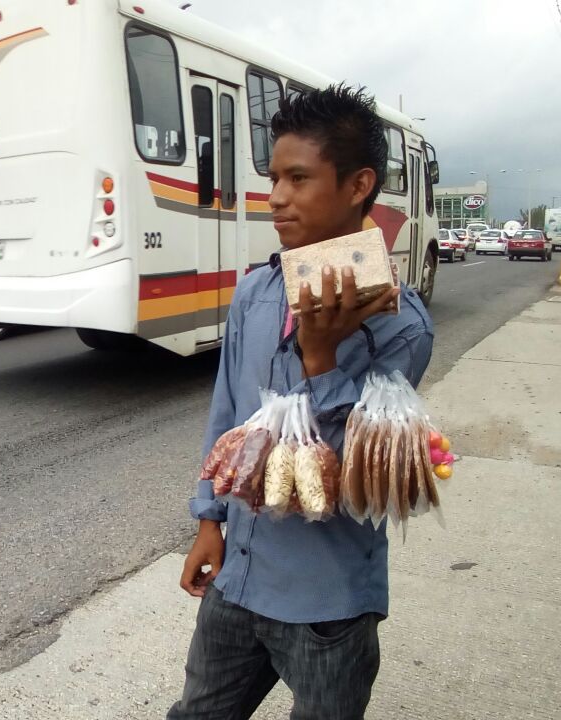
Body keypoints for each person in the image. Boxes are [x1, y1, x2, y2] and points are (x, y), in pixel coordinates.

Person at [168, 85, 434, 719]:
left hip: (327, 602)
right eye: (273, 177)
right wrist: (210, 520)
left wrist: (320, 359)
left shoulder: (400, 327)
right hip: (239, 577)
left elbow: (360, 475)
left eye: (298, 178)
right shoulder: (259, 291)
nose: (277, 197)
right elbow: (228, 415)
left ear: (357, 184)